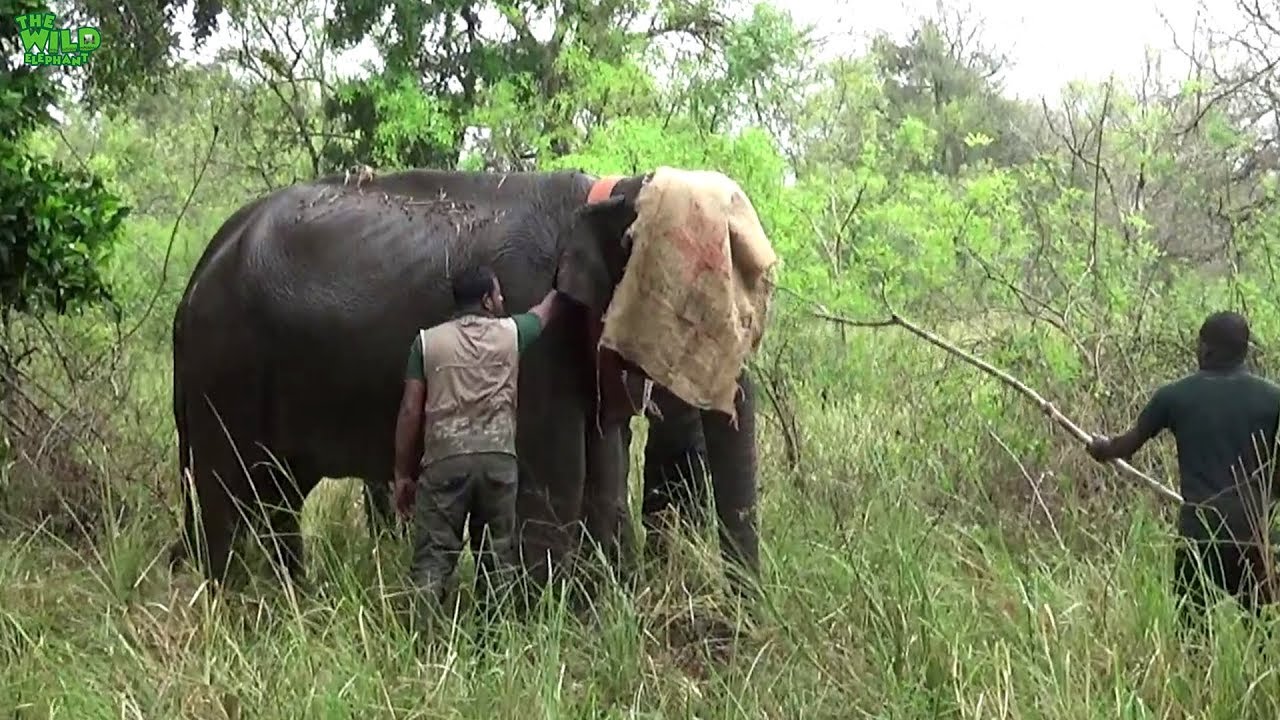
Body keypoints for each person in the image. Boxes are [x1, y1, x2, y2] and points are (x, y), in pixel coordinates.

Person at [1086, 310, 1280, 631]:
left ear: (1206, 348)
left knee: (1192, 633)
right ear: (1245, 350)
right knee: (1263, 633)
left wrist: (1100, 448)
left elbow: (1123, 448)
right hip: (1253, 537)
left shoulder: (1174, 396)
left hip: (1199, 535)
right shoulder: (1272, 399)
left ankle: (1197, 681)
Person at [392, 265, 567, 619]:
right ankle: (492, 649)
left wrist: (402, 473)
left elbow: (411, 411)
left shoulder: (426, 343)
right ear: (487, 301)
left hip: (444, 462)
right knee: (498, 558)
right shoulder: (510, 333)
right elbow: (544, 313)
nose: (502, 300)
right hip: (497, 462)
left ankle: (416, 646)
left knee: (433, 559)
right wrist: (564, 282)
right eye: (498, 294)